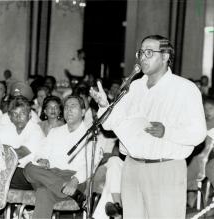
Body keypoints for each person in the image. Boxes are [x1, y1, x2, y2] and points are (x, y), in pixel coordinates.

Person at [90, 34, 207, 218]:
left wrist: (167, 132)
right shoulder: (134, 87)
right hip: (132, 167)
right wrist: (104, 106)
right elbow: (113, 124)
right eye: (141, 52)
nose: (142, 57)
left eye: (149, 52)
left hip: (165, 168)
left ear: (165, 56)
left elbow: (199, 133)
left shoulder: (185, 89)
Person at [23, 95, 94, 219]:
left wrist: (74, 181)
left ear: (83, 112)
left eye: (73, 106)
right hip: (52, 175)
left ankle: (65, 188)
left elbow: (91, 166)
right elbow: (40, 152)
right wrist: (41, 160)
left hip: (72, 179)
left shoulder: (90, 135)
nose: (68, 110)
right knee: (28, 168)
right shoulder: (55, 132)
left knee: (43, 192)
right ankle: (67, 190)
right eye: (66, 107)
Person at [0, 95, 45, 190]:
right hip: (10, 170)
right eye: (14, 114)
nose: (18, 117)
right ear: (10, 117)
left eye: (22, 113)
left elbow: (18, 154)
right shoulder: (6, 128)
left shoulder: (35, 130)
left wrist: (1, 149)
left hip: (30, 176)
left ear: (30, 115)